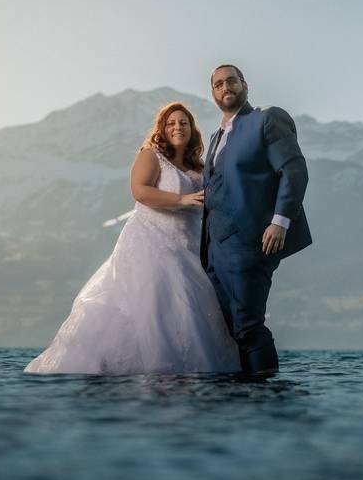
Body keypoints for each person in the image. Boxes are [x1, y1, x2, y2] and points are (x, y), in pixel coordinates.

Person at [24, 102, 240, 374]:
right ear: (162, 128)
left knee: (189, 311)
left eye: (183, 123)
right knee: (149, 304)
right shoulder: (151, 156)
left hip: (189, 243)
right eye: (171, 123)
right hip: (150, 240)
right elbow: (139, 191)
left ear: (191, 128)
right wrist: (182, 198)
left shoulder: (198, 165)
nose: (177, 127)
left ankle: (187, 374)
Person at [202, 64, 312, 374]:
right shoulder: (215, 136)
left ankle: (266, 403)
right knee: (230, 331)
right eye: (219, 84)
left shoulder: (266, 119)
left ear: (245, 85)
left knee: (249, 328)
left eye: (232, 81)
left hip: (249, 243)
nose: (226, 87)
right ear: (212, 93)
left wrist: (280, 221)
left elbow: (294, 170)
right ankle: (241, 405)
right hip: (213, 250)